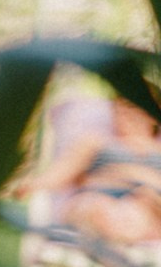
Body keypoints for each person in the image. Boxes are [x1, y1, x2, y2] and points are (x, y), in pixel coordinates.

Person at [16, 97, 161, 250]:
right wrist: (32, 184)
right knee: (95, 209)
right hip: (98, 197)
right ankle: (115, 243)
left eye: (136, 109)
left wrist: (138, 177)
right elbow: (62, 172)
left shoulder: (157, 151)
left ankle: (119, 243)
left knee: (138, 212)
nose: (127, 114)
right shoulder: (96, 142)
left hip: (146, 204)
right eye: (120, 109)